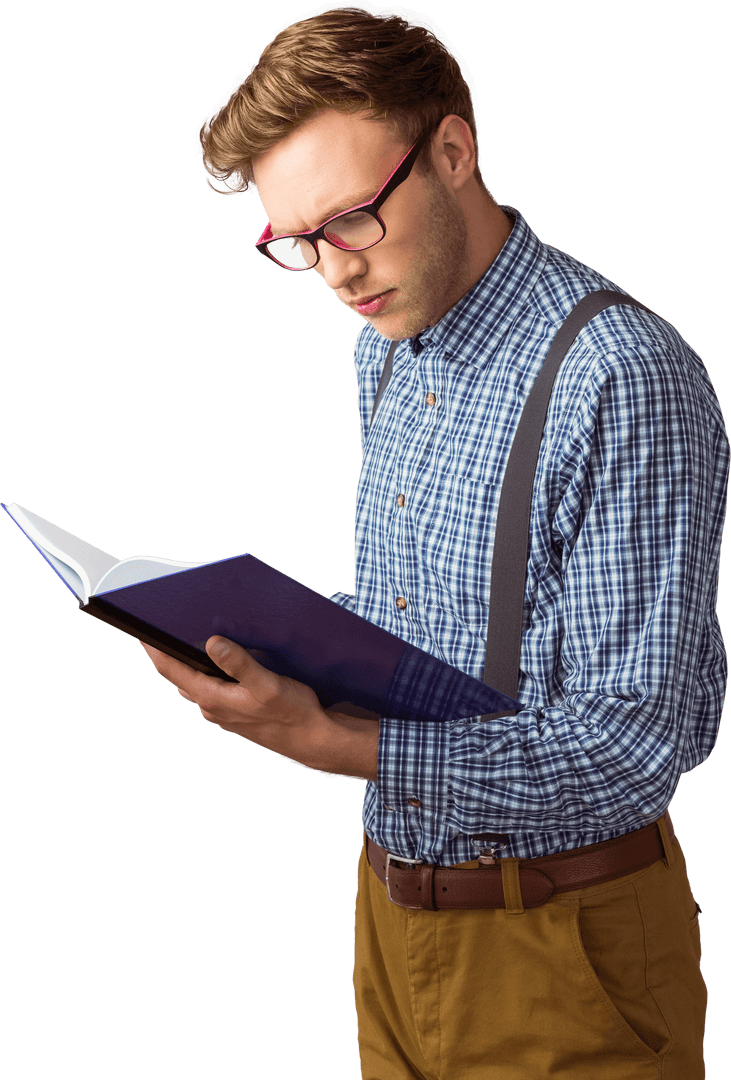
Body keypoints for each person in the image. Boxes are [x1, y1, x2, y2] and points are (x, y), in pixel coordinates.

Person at [142, 4, 728, 1077]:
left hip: (564, 941)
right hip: (391, 911)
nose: (333, 271)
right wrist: (252, 632)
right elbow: (419, 625)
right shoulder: (388, 348)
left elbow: (633, 745)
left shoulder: (620, 377)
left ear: (452, 151)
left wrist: (337, 746)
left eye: (351, 218)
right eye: (295, 242)